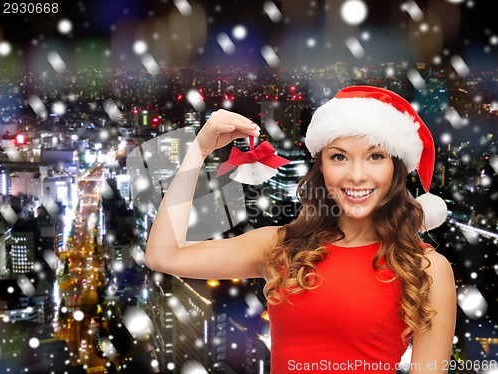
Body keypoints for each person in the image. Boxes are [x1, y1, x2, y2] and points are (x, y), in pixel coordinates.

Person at [145, 86, 456, 373]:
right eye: (339, 157)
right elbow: (164, 255)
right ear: (321, 166)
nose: (357, 175)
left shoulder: (426, 269)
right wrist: (199, 150)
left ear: (396, 168)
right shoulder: (281, 245)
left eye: (375, 156)